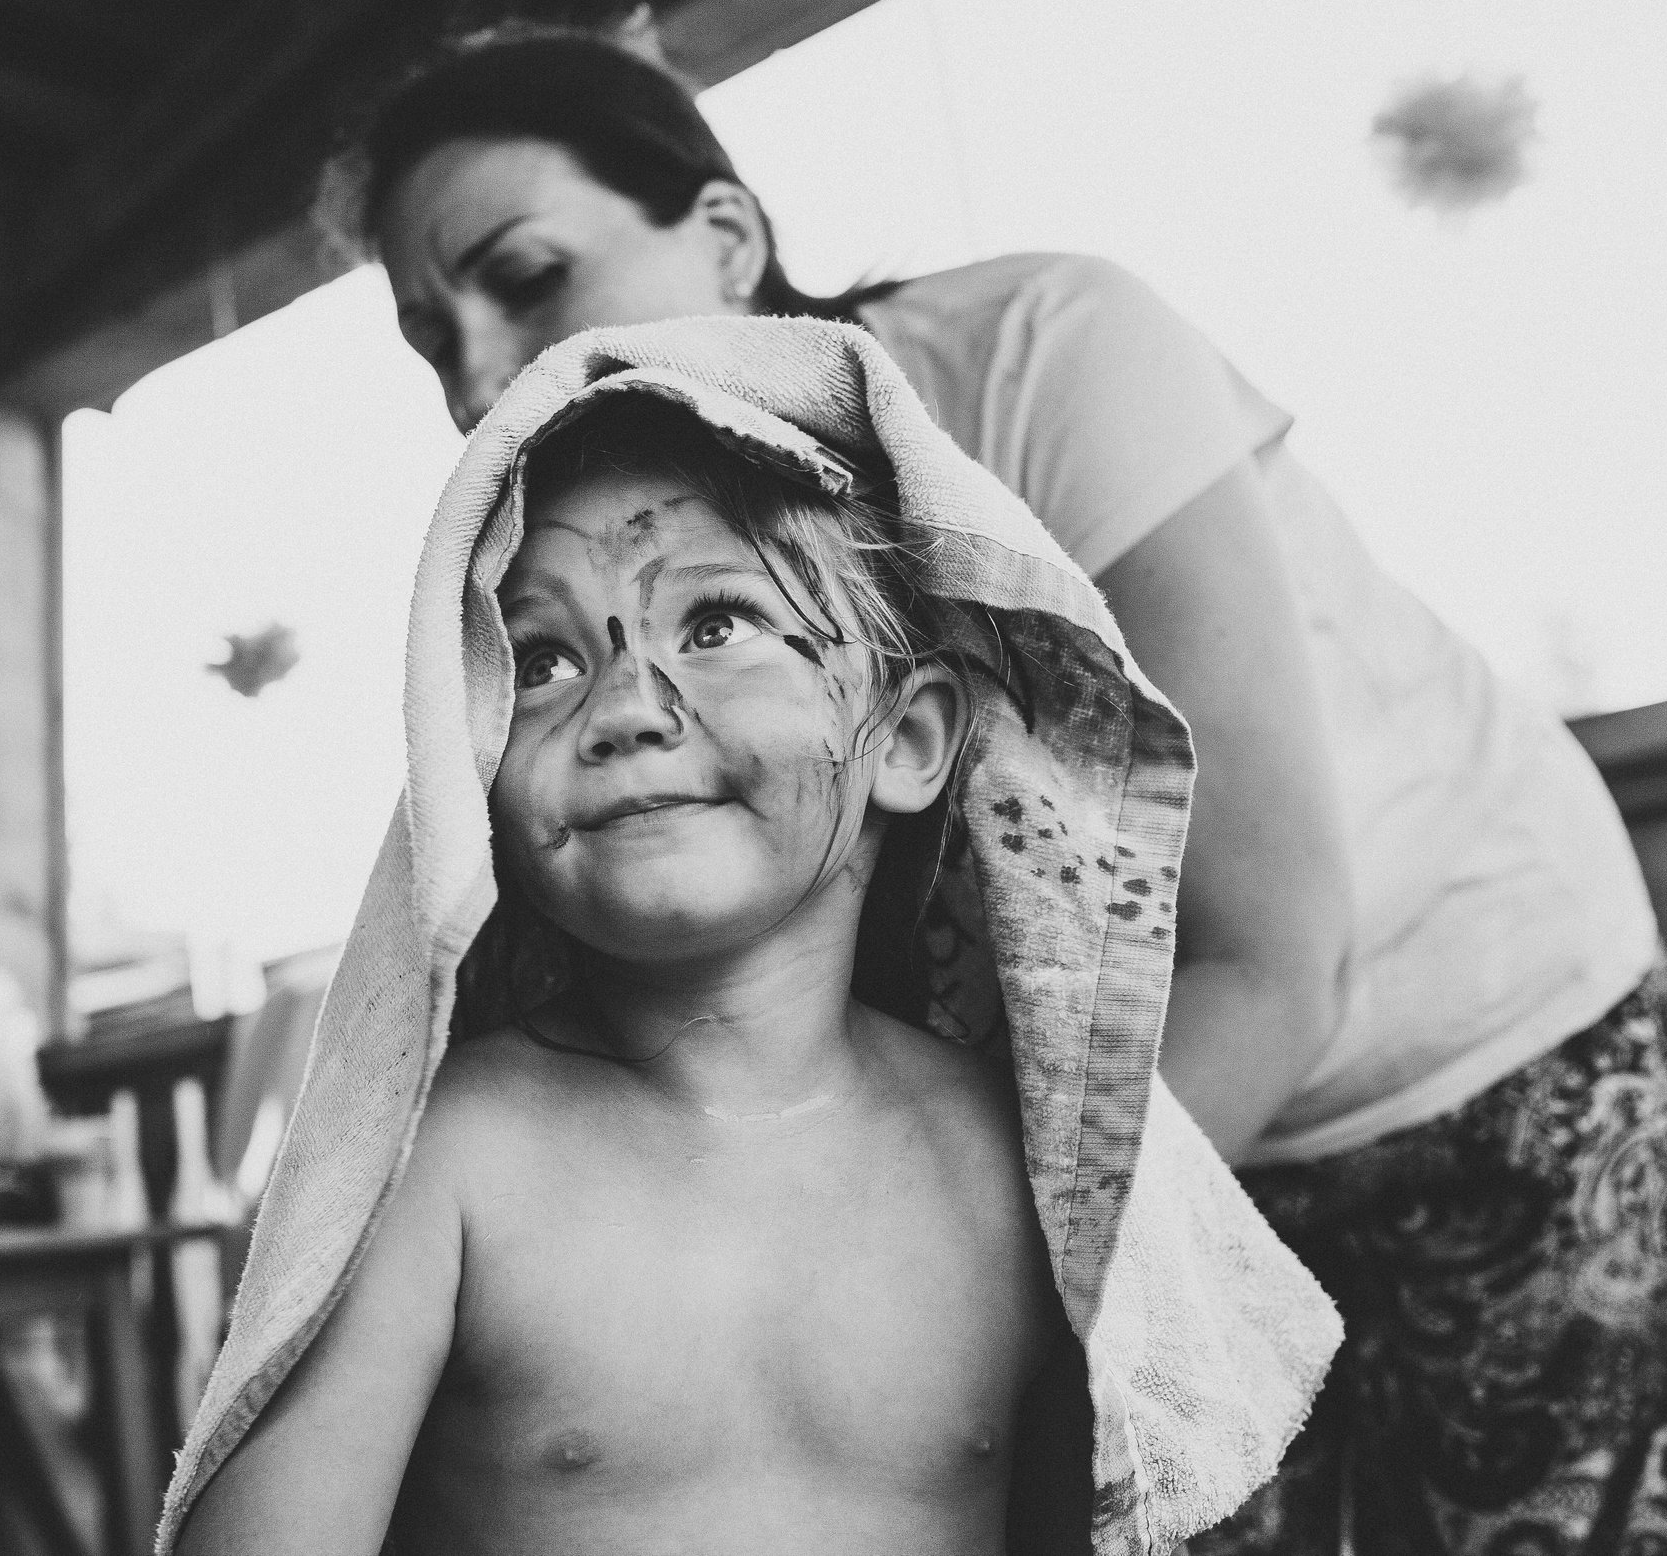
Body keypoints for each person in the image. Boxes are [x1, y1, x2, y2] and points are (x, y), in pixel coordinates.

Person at [340, 28, 1667, 1554]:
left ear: (728, 236)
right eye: (434, 339)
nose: (485, 373)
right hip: (1132, 1147)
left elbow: (1274, 950)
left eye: (529, 276)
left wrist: (927, 1288)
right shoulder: (608, 587)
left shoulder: (1053, 348)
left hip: (1487, 1048)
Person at [166, 321, 1337, 1554]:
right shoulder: (448, 1164)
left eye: (716, 624)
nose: (624, 706)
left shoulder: (1014, 1164)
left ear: (909, 740)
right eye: (546, 660)